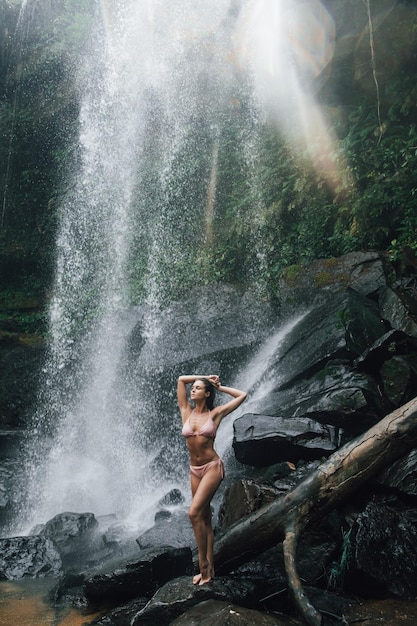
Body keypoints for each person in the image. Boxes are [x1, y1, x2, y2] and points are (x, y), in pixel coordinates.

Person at [178, 374, 247, 585]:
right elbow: (181, 380)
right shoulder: (186, 412)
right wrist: (203, 377)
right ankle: (212, 565)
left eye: (198, 388)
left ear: (207, 394)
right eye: (194, 388)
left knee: (193, 513)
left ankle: (204, 568)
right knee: (205, 519)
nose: (193, 390)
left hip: (211, 468)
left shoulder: (216, 414)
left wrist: (220, 387)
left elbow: (242, 395)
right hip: (194, 470)